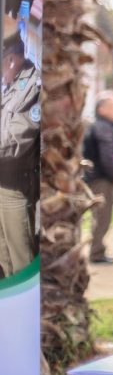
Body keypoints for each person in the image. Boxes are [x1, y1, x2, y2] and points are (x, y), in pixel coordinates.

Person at [0, 32, 39, 277]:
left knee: (21, 262)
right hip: (2, 184)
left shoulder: (32, 86)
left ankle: (22, 314)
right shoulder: (13, 86)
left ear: (12, 60)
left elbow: (15, 140)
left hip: (16, 189)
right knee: (4, 261)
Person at [83, 91, 113, 264]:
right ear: (102, 109)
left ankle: (97, 250)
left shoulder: (103, 126)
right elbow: (107, 157)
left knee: (100, 217)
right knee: (102, 218)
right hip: (101, 180)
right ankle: (97, 253)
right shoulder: (102, 127)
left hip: (96, 177)